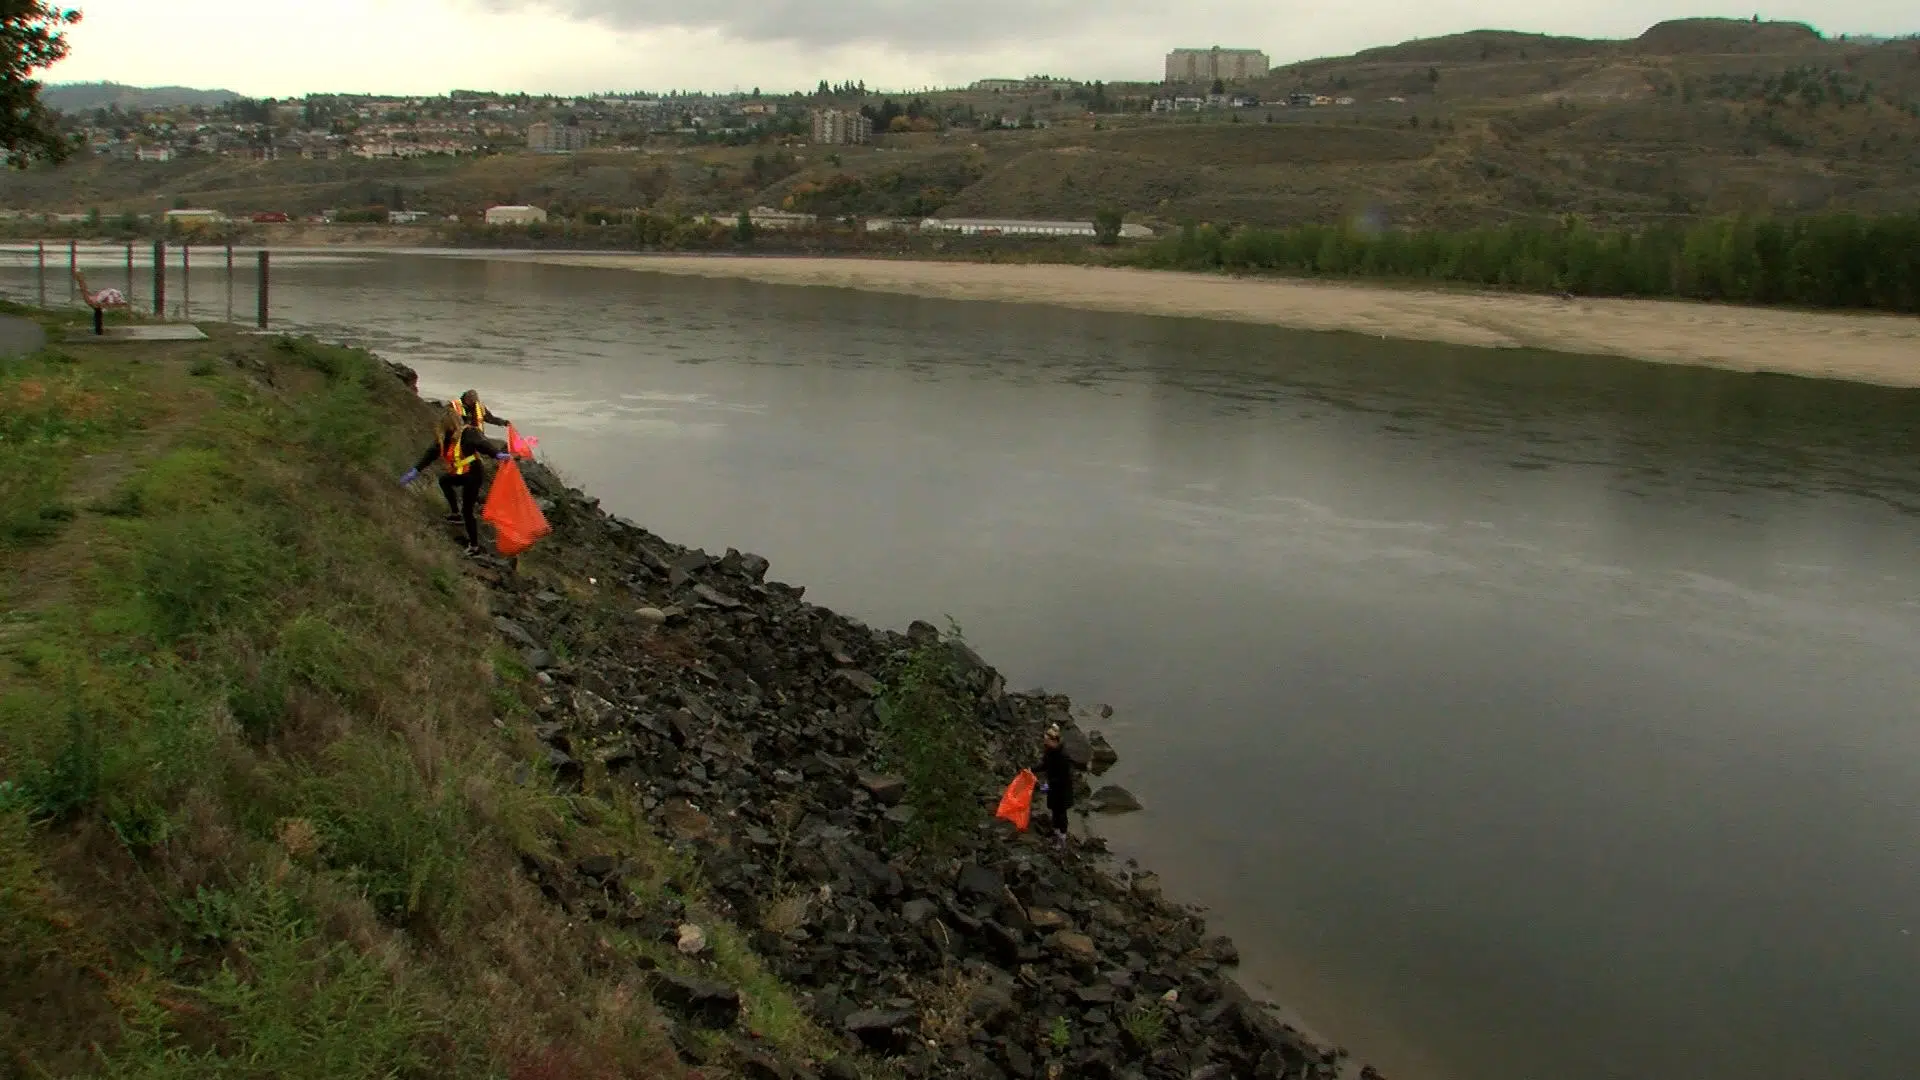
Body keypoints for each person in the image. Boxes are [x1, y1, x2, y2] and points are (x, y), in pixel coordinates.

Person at [401, 411, 510, 556]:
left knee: (468, 510)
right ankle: (455, 513)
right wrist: (416, 470)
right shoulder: (444, 439)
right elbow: (430, 454)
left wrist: (496, 454)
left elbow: (482, 445)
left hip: (474, 474)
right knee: (444, 480)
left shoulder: (469, 433)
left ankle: (474, 546)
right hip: (461, 473)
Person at [1034, 724, 1077, 851]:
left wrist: (1047, 785)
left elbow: (1064, 778)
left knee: (1061, 814)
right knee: (1054, 811)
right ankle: (1056, 834)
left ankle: (1062, 839)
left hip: (1062, 791)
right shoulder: (1049, 752)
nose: (1045, 742)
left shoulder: (1063, 757)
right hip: (1053, 788)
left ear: (1055, 741)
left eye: (1047, 740)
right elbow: (1044, 765)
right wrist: (1031, 769)